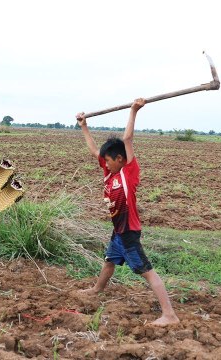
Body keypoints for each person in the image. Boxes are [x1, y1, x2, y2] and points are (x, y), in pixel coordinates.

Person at [76, 98, 179, 326]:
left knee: (147, 272)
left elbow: (127, 139)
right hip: (118, 231)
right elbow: (94, 150)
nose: (106, 163)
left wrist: (134, 110)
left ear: (120, 159)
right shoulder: (110, 173)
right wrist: (83, 125)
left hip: (129, 232)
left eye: (110, 160)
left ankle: (169, 315)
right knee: (109, 261)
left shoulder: (127, 173)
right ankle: (97, 289)